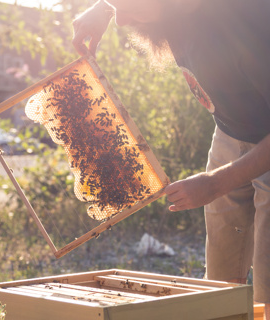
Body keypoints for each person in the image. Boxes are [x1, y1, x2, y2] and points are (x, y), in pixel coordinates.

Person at [72, 0, 270, 317]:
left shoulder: (253, 25)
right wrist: (102, 9)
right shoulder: (170, 11)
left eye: (130, 9)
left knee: (267, 293)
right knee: (218, 285)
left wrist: (217, 182)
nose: (121, 22)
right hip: (231, 134)